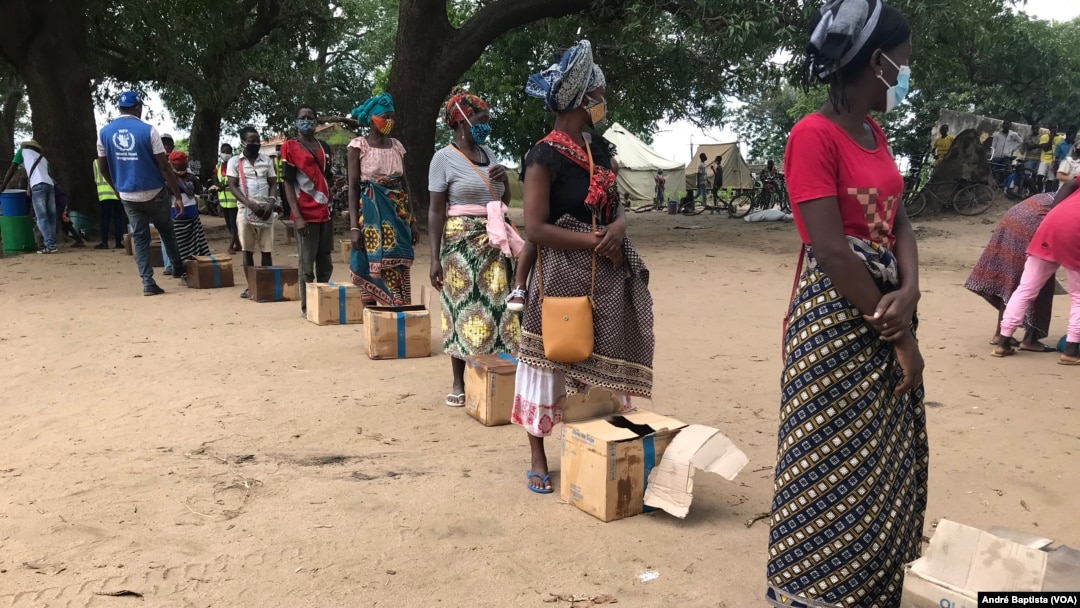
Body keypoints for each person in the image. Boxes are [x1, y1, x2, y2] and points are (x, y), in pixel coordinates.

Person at [768, 3, 926, 607]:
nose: (908, 75)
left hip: (885, 307)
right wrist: (901, 332)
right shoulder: (812, 135)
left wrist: (909, 292)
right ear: (878, 62)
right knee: (827, 463)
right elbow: (832, 251)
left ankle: (870, 586)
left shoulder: (874, 133)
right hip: (839, 322)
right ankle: (815, 594)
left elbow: (898, 219)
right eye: (905, 64)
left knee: (879, 463)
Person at [515, 40, 654, 494]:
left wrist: (620, 225)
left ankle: (602, 447)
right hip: (561, 273)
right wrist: (594, 241)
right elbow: (535, 228)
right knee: (551, 354)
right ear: (583, 99)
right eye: (600, 91)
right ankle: (538, 453)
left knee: (606, 355)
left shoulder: (601, 147)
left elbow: (619, 206)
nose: (603, 99)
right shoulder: (543, 157)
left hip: (607, 271)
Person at [428, 87, 522, 408]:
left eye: (487, 119)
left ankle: (498, 374)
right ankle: (458, 380)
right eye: (481, 118)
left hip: (494, 242)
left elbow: (502, 201)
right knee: (461, 307)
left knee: (498, 308)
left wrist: (506, 182)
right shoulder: (443, 158)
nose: (486, 125)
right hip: (459, 243)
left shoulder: (490, 155)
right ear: (462, 120)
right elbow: (436, 210)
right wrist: (434, 258)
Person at [97, 91, 185, 296]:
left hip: (127, 194)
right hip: (154, 191)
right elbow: (164, 166)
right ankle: (178, 266)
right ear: (138, 108)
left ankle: (148, 282)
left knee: (140, 237)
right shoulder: (148, 130)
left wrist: (116, 188)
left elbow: (103, 168)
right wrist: (178, 196)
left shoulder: (104, 133)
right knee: (166, 229)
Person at [993, 178, 1080, 364]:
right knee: (1079, 297)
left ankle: (1003, 342)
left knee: (1026, 289)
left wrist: (1053, 212)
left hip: (1051, 224)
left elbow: (1071, 183)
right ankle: (1071, 351)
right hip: (1075, 231)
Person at [347, 93, 419, 306]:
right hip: (370, 215)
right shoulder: (358, 146)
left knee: (399, 260)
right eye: (384, 117)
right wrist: (353, 227)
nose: (389, 122)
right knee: (371, 261)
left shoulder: (396, 145)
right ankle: (373, 322)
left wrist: (412, 221)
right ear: (371, 118)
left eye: (391, 117)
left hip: (398, 214)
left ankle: (400, 308)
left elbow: (405, 185)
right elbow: (352, 187)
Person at [965, 191, 1060, 352]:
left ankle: (1001, 337)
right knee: (1036, 284)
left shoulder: (1069, 190)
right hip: (1035, 223)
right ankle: (1030, 339)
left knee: (1013, 280)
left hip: (1016, 216)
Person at [280, 104, 335, 316]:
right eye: (302, 117)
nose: (306, 120)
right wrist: (297, 216)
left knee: (325, 260)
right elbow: (287, 183)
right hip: (305, 213)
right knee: (306, 262)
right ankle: (307, 307)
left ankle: (321, 300)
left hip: (325, 212)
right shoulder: (290, 147)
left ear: (316, 120)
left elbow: (327, 177)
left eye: (310, 116)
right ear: (296, 121)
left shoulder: (324, 147)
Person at [228, 126, 277, 298]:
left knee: (267, 249)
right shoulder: (234, 162)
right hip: (245, 209)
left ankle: (266, 285)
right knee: (247, 250)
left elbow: (273, 183)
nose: (255, 144)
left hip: (265, 208)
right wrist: (249, 204)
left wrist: (270, 204)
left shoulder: (267, 161)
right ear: (242, 142)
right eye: (251, 141)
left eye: (257, 141)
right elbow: (233, 186)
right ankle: (252, 287)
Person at [3, 140, 58, 254]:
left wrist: (3, 185)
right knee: (51, 216)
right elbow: (49, 174)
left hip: (37, 185)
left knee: (41, 217)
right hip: (50, 185)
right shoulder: (43, 158)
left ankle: (50, 245)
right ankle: (52, 243)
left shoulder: (22, 151)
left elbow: (12, 168)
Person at [166, 150, 211, 273]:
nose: (182, 168)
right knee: (179, 243)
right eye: (178, 166)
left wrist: (194, 180)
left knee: (196, 241)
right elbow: (165, 194)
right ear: (172, 165)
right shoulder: (167, 176)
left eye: (183, 165)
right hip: (176, 214)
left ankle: (196, 264)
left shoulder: (190, 175)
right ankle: (179, 267)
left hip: (192, 212)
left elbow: (198, 192)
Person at [93, 159, 126, 249]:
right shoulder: (117, 160)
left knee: (105, 219)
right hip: (117, 193)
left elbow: (96, 179)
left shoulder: (96, 162)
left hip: (103, 194)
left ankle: (104, 242)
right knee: (118, 218)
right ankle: (118, 243)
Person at [215, 143, 241, 254]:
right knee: (228, 225)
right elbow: (215, 180)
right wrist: (218, 186)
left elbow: (238, 181)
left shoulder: (236, 165)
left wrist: (227, 185)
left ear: (231, 153)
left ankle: (231, 246)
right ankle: (238, 244)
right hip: (223, 201)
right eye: (223, 151)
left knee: (233, 224)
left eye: (228, 152)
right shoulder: (218, 167)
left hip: (233, 201)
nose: (225, 154)